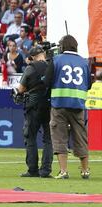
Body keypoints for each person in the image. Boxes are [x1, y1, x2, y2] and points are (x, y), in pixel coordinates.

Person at [44, 35, 93, 179]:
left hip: (59, 105)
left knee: (59, 137)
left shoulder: (56, 60)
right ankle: (85, 171)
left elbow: (46, 81)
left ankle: (64, 171)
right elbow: (89, 84)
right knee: (81, 137)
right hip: (77, 105)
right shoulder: (84, 63)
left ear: (62, 47)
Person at [16, 46, 53, 178]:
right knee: (49, 139)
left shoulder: (30, 68)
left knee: (30, 137)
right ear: (42, 54)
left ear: (31, 57)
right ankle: (46, 170)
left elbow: (20, 89)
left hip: (33, 106)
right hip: (49, 106)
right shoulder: (51, 66)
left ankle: (33, 170)